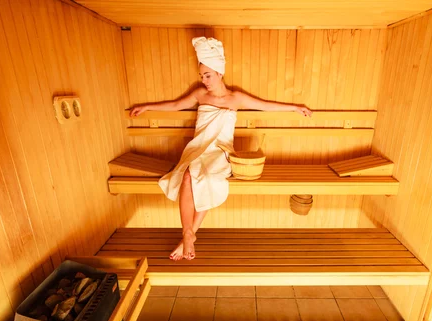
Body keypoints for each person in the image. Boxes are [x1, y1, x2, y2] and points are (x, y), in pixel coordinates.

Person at [130, 37, 312, 261]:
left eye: (208, 75)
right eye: (202, 76)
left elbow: (265, 105)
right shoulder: (200, 95)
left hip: (221, 151)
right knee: (188, 175)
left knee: (206, 177)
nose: (204, 80)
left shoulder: (236, 98)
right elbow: (176, 105)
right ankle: (188, 232)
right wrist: (146, 107)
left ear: (219, 73)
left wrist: (295, 107)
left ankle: (188, 235)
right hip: (197, 148)